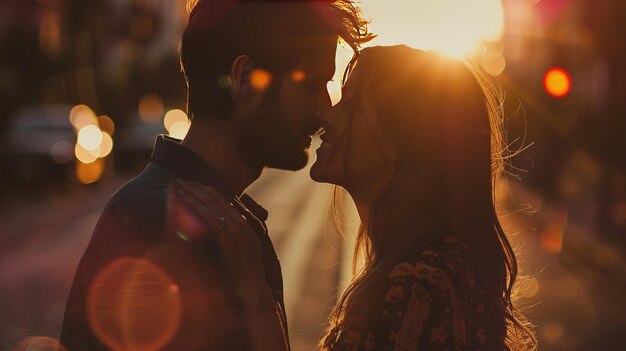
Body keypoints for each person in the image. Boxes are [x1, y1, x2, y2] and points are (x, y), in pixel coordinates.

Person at [59, 1, 372, 350]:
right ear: (246, 81)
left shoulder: (213, 216)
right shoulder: (161, 227)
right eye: (313, 84)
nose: (324, 109)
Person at [179, 46, 538, 350]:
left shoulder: (413, 288)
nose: (326, 115)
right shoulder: (441, 265)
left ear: (401, 143)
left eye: (348, 104)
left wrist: (254, 297)